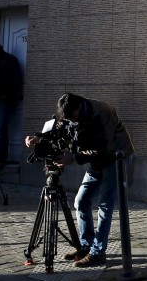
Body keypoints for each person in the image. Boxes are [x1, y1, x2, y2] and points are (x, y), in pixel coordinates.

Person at [25, 93, 134, 267]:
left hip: (115, 158)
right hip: (96, 160)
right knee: (81, 201)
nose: (70, 120)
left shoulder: (102, 113)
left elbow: (103, 149)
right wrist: (39, 139)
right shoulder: (70, 114)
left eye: (71, 116)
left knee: (104, 205)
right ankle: (87, 246)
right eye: (66, 117)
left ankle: (97, 253)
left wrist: (73, 158)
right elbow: (59, 130)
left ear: (78, 108)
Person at [0, 43, 24, 165]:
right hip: (4, 98)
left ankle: (1, 157)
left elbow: (16, 82)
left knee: (1, 127)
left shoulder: (9, 60)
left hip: (5, 99)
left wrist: (5, 94)